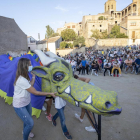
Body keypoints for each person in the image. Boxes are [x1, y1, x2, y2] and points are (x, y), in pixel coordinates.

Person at [13, 58, 56, 140]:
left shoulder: (25, 76)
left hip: (26, 102)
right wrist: (50, 93)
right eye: (29, 64)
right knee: (30, 124)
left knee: (27, 120)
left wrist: (33, 77)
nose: (31, 66)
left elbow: (30, 86)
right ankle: (25, 137)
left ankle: (26, 131)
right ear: (24, 66)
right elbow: (35, 92)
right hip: (19, 105)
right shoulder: (21, 80)